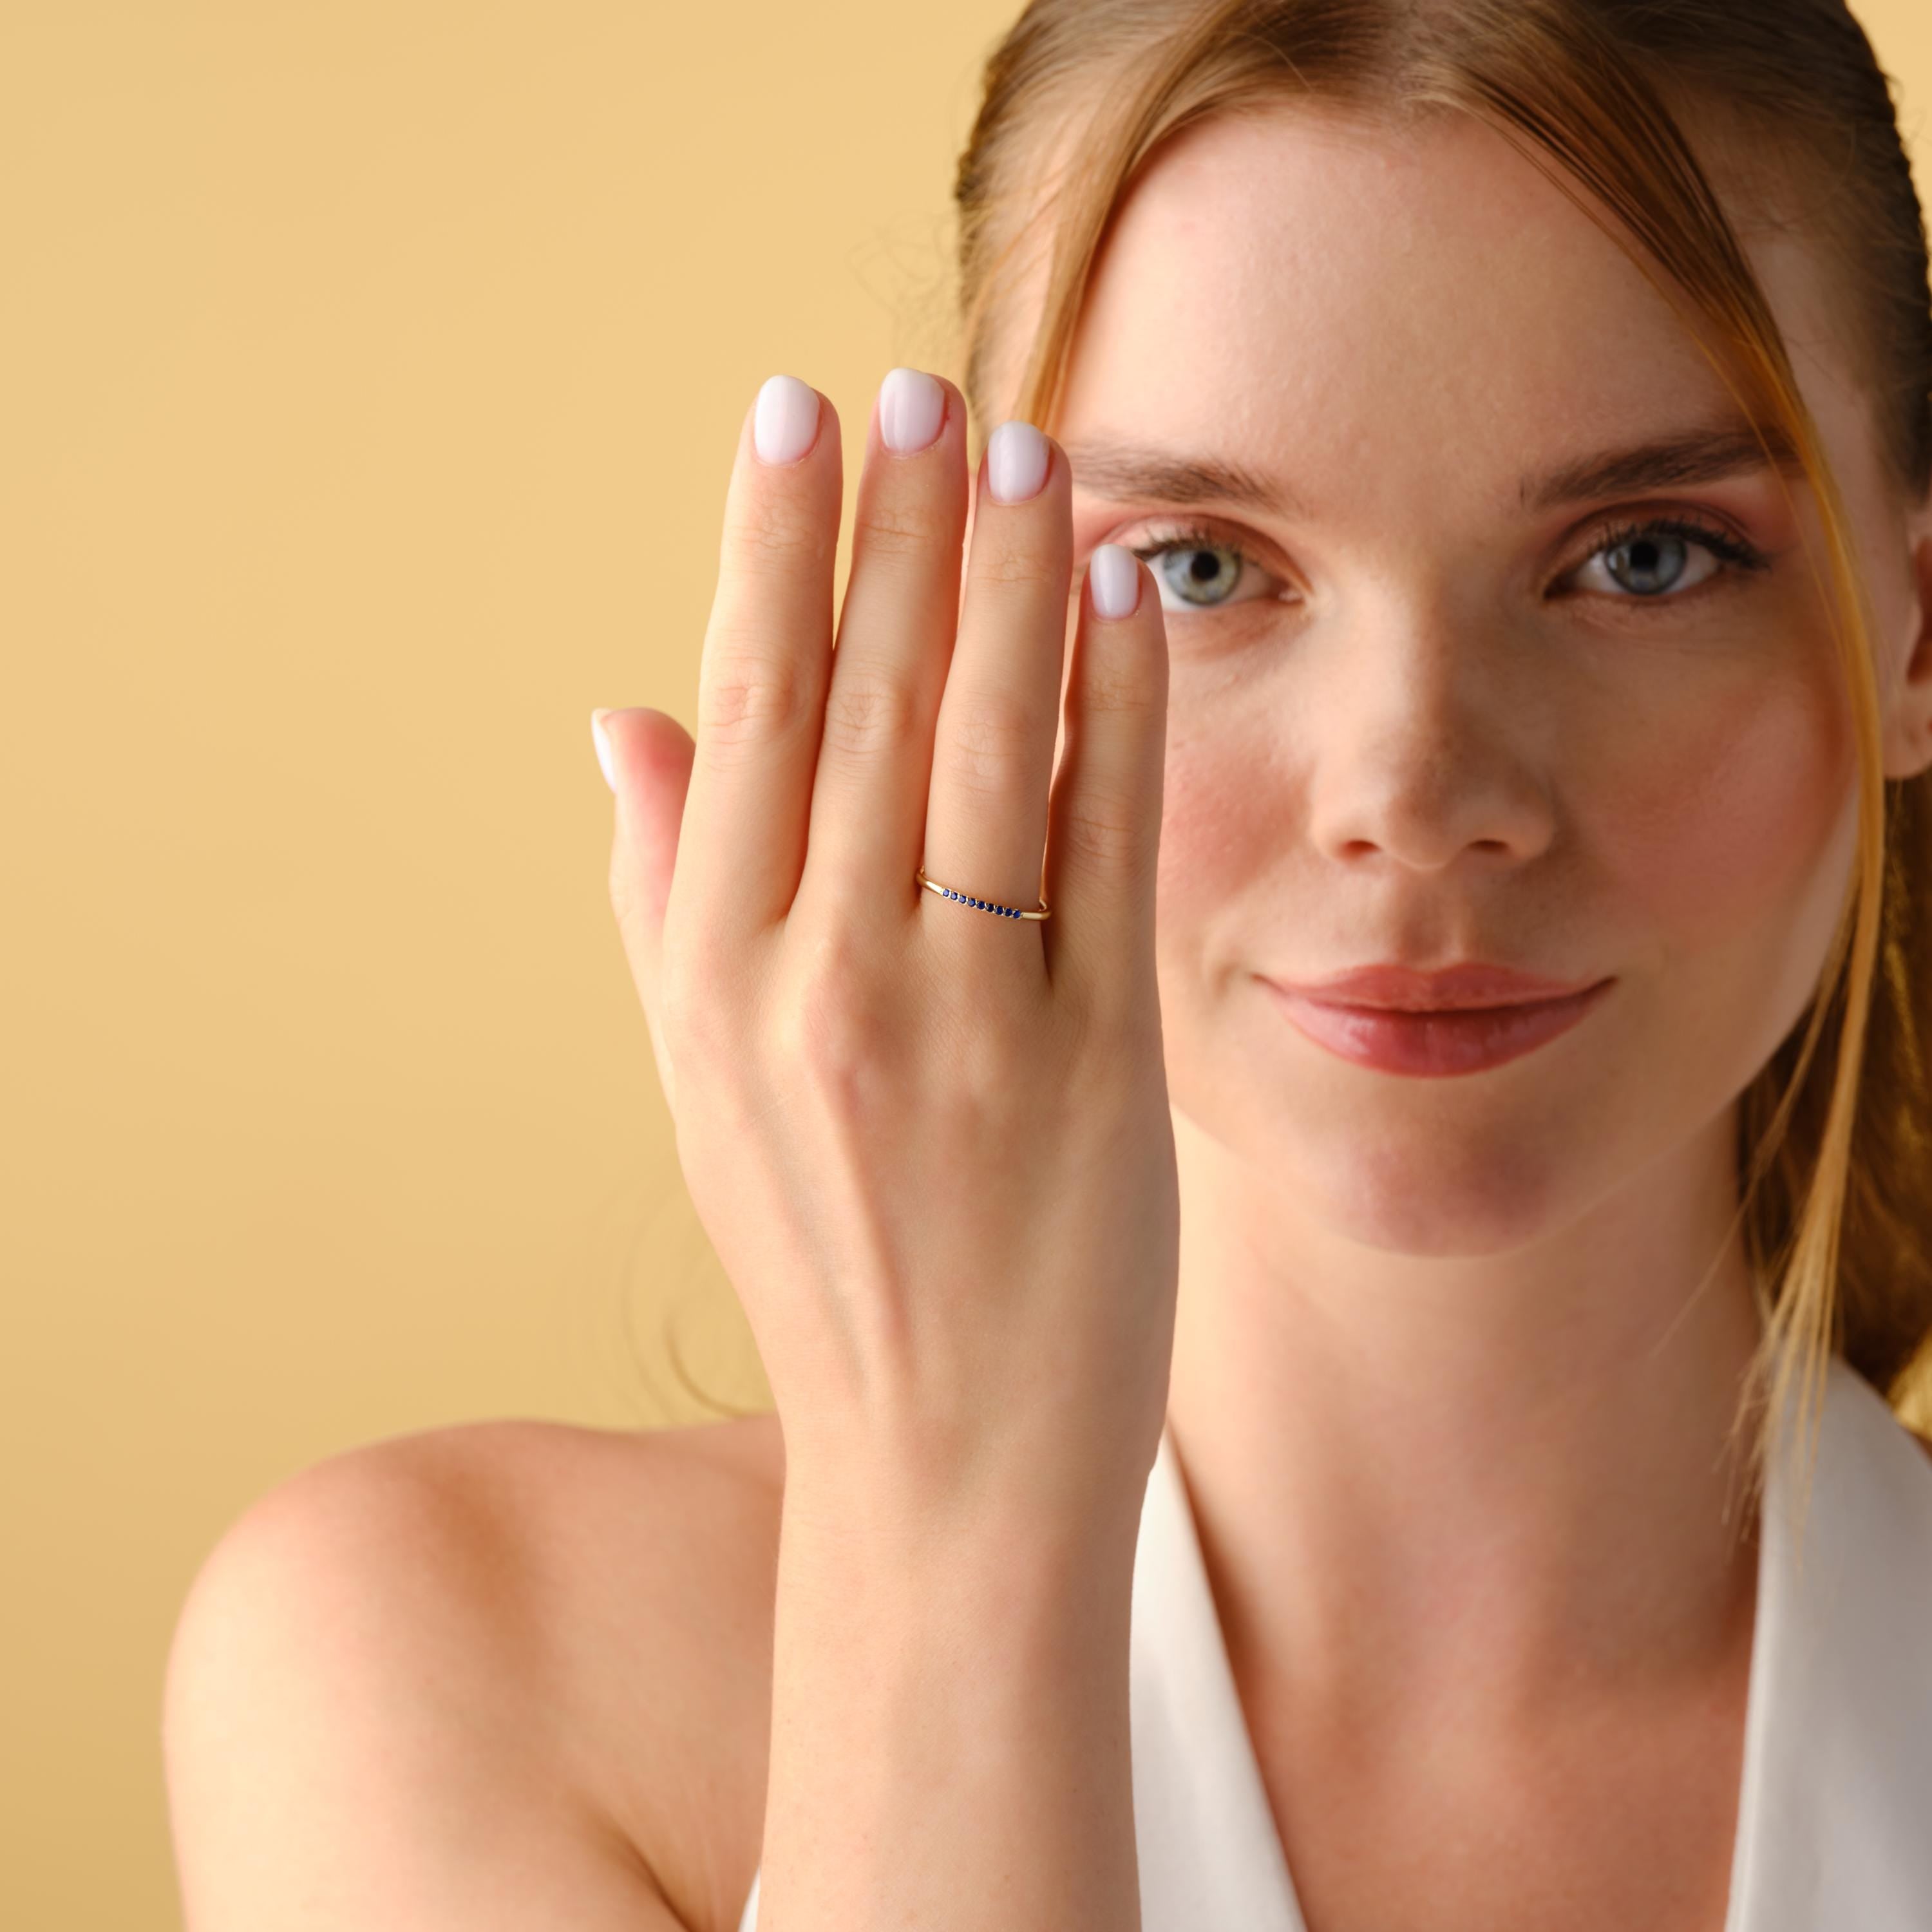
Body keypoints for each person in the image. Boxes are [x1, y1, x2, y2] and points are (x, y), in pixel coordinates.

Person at [162, 1, 1932, 1927]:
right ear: (961, 633)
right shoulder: (448, 1665)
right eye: (1194, 566)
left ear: (1914, 629)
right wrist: (954, 1528)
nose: (1416, 793)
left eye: (1648, 555)